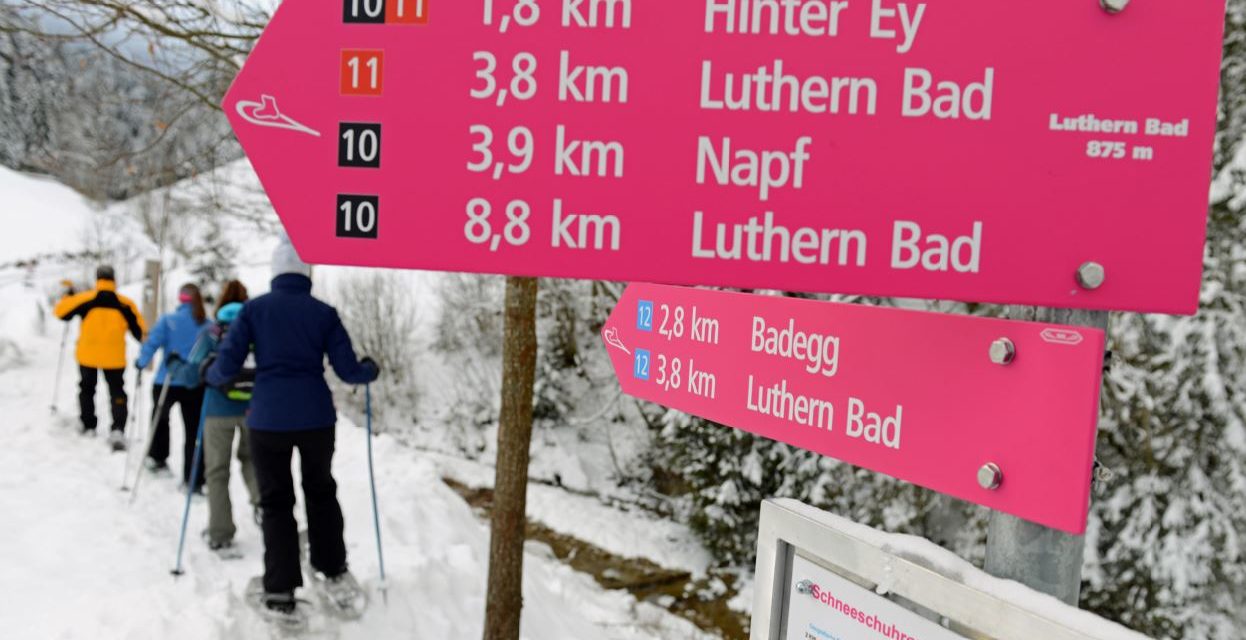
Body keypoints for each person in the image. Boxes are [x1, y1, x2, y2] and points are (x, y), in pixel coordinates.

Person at [207, 235, 379, 624]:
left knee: (276, 501)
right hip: (317, 418)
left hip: (268, 420)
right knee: (321, 489)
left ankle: (281, 588)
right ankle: (332, 566)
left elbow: (228, 364)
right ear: (306, 273)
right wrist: (369, 369)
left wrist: (209, 374)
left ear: (274, 272)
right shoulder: (324, 312)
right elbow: (349, 370)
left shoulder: (253, 311)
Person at [189, 280, 260, 553]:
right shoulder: (257, 329)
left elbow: (196, 364)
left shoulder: (211, 332)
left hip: (217, 410)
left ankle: (220, 531)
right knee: (253, 461)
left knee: (217, 471)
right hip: (254, 409)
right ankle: (263, 507)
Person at [53, 265, 146, 449]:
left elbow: (60, 313)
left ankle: (88, 425)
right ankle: (118, 428)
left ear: (98, 279)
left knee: (87, 389)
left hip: (88, 355)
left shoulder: (85, 298)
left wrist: (67, 296)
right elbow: (141, 333)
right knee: (117, 392)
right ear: (114, 279)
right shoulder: (125, 303)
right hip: (114, 357)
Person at [136, 284, 208, 491]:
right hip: (195, 384)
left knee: (160, 420)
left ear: (180, 298)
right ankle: (193, 477)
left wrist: (141, 362)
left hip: (166, 380)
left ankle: (158, 458)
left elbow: (152, 343)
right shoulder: (206, 323)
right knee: (194, 430)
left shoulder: (168, 321)